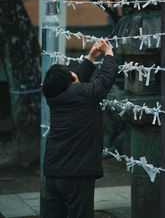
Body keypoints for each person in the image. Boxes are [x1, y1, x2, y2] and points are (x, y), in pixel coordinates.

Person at [42, 39, 118, 218]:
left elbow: (75, 83)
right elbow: (105, 79)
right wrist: (109, 54)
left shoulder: (54, 97)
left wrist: (91, 58)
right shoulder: (83, 94)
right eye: (70, 73)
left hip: (53, 172)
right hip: (77, 173)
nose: (74, 74)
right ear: (71, 82)